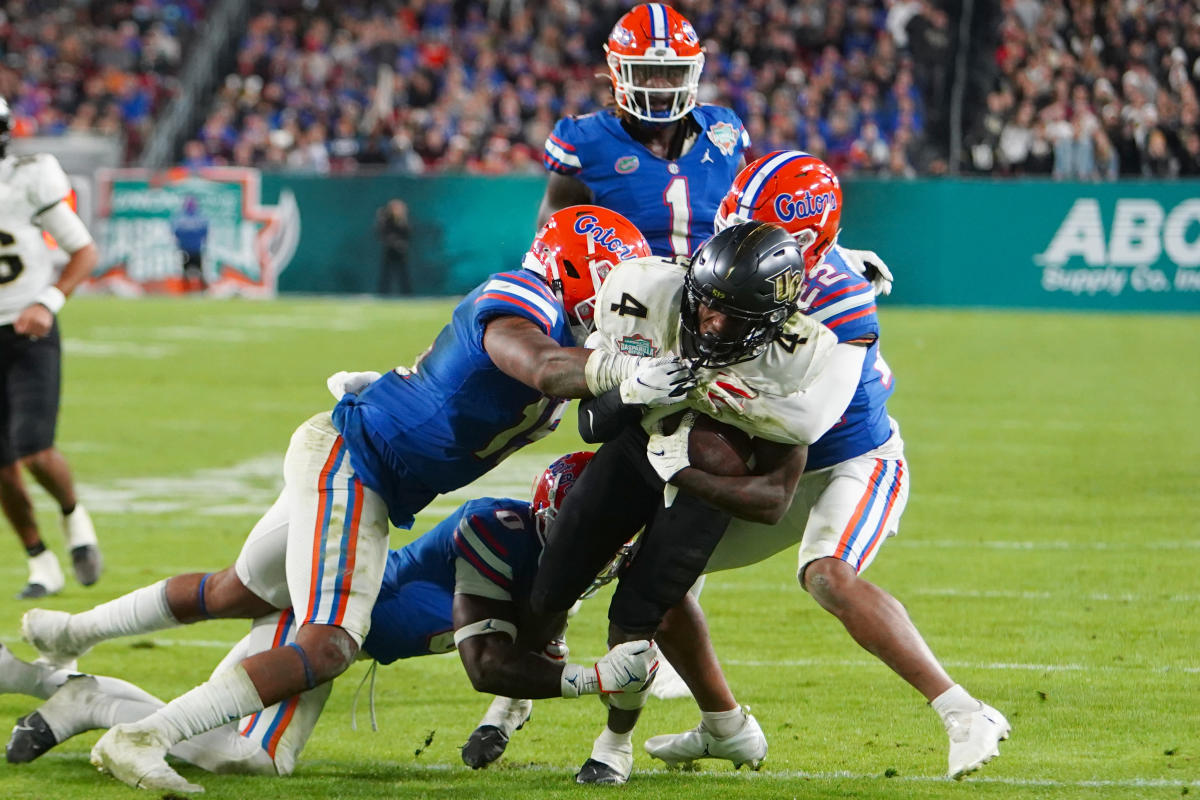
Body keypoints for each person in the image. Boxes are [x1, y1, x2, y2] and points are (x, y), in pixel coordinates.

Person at [19, 205, 694, 793]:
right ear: (578, 275)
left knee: (241, 597)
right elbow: (540, 365)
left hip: (370, 463)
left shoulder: (568, 336)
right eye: (614, 293)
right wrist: (624, 369)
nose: (619, 311)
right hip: (357, 463)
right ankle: (141, 736)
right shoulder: (524, 298)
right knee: (333, 641)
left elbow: (528, 396)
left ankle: (71, 641)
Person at [641, 151, 1010, 780]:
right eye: (739, 222)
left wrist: (696, 388)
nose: (740, 239)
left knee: (827, 576)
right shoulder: (757, 254)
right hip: (772, 464)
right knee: (659, 573)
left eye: (761, 229)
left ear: (806, 242)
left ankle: (966, 712)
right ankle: (724, 728)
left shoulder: (843, 301)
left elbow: (807, 421)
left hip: (853, 461)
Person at [1, 453, 659, 785]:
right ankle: (83, 699)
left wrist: (504, 719)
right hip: (323, 618)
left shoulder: (554, 568)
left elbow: (538, 643)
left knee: (224, 624)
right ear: (547, 520)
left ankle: (72, 677)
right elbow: (489, 662)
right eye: (585, 533)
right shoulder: (496, 529)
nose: (595, 550)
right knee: (249, 757)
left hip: (336, 629)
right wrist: (590, 679)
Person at [525, 220, 867, 784]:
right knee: (550, 586)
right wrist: (633, 388)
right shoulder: (641, 292)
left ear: (770, 323)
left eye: (731, 314)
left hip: (703, 487)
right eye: (705, 303)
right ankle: (512, 703)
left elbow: (773, 501)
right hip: (636, 445)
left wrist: (685, 473)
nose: (711, 321)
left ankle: (614, 744)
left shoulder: (803, 361)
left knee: (634, 616)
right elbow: (589, 423)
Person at [538, 3, 749, 258]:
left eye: (671, 73)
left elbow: (747, 224)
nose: (658, 86)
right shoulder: (586, 141)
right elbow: (550, 248)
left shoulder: (723, 132)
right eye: (645, 72)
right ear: (618, 70)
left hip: (715, 289)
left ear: (691, 72)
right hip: (621, 291)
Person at [0, 96, 103, 600]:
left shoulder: (25, 179)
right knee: (1, 466)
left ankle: (74, 519)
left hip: (29, 330)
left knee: (35, 450)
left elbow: (84, 250)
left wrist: (48, 300)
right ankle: (41, 561)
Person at [170, 195, 208, 293]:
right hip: (189, 249)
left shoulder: (181, 218)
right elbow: (205, 233)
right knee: (189, 271)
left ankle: (197, 290)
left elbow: (175, 232)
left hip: (191, 248)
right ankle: (188, 290)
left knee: (196, 270)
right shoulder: (198, 218)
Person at [374, 199, 412, 296]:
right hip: (390, 251)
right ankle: (382, 294)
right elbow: (382, 233)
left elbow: (408, 234)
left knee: (403, 274)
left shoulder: (403, 221)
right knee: (386, 274)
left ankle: (407, 294)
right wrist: (395, 242)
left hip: (401, 252)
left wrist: (401, 243)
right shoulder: (387, 220)